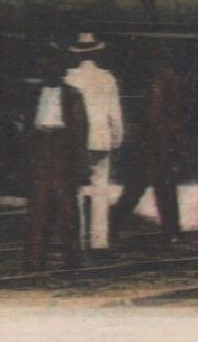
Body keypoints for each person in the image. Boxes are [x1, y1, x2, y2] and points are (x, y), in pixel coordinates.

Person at [113, 45, 187, 245]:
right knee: (163, 189)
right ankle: (171, 230)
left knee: (138, 186)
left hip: (154, 143)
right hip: (164, 142)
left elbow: (154, 114)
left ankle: (113, 224)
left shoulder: (159, 82)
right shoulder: (171, 80)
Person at [23, 48, 89, 272]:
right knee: (38, 207)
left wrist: (81, 163)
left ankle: (73, 260)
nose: (46, 72)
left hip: (62, 150)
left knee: (67, 207)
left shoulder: (73, 95)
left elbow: (80, 131)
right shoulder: (34, 95)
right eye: (43, 68)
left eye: (50, 67)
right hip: (41, 148)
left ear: (60, 70)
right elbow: (27, 128)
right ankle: (34, 260)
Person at [63, 32, 123, 251]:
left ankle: (77, 237)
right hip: (101, 139)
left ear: (76, 54)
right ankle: (99, 239)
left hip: (77, 140)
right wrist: (116, 139)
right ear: (97, 52)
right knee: (100, 187)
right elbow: (114, 115)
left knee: (76, 188)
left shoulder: (69, 78)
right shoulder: (107, 78)